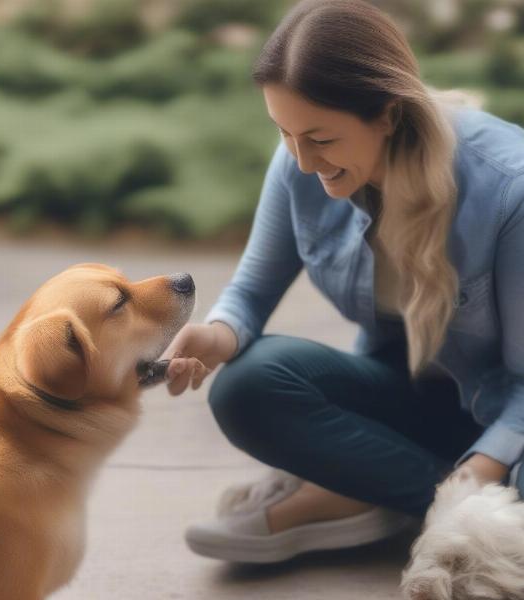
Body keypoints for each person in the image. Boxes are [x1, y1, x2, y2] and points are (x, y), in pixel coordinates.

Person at [161, 0, 524, 563]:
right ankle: (444, 515)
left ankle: (362, 494)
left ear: (388, 114)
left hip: (507, 421)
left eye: (321, 139)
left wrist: (480, 471)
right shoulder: (298, 165)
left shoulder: (509, 190)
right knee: (247, 385)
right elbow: (252, 293)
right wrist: (218, 336)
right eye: (284, 133)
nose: (302, 162)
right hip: (407, 399)